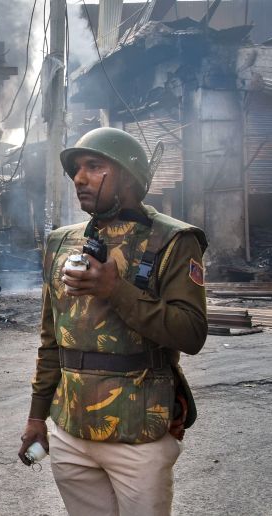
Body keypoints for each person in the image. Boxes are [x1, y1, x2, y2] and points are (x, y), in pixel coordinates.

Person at [18, 127, 208, 515]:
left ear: (128, 176)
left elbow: (191, 333)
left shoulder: (173, 241)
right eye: (75, 169)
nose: (79, 178)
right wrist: (38, 416)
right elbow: (51, 339)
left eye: (93, 166)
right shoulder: (60, 243)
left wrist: (115, 290)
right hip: (70, 431)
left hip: (138, 434)